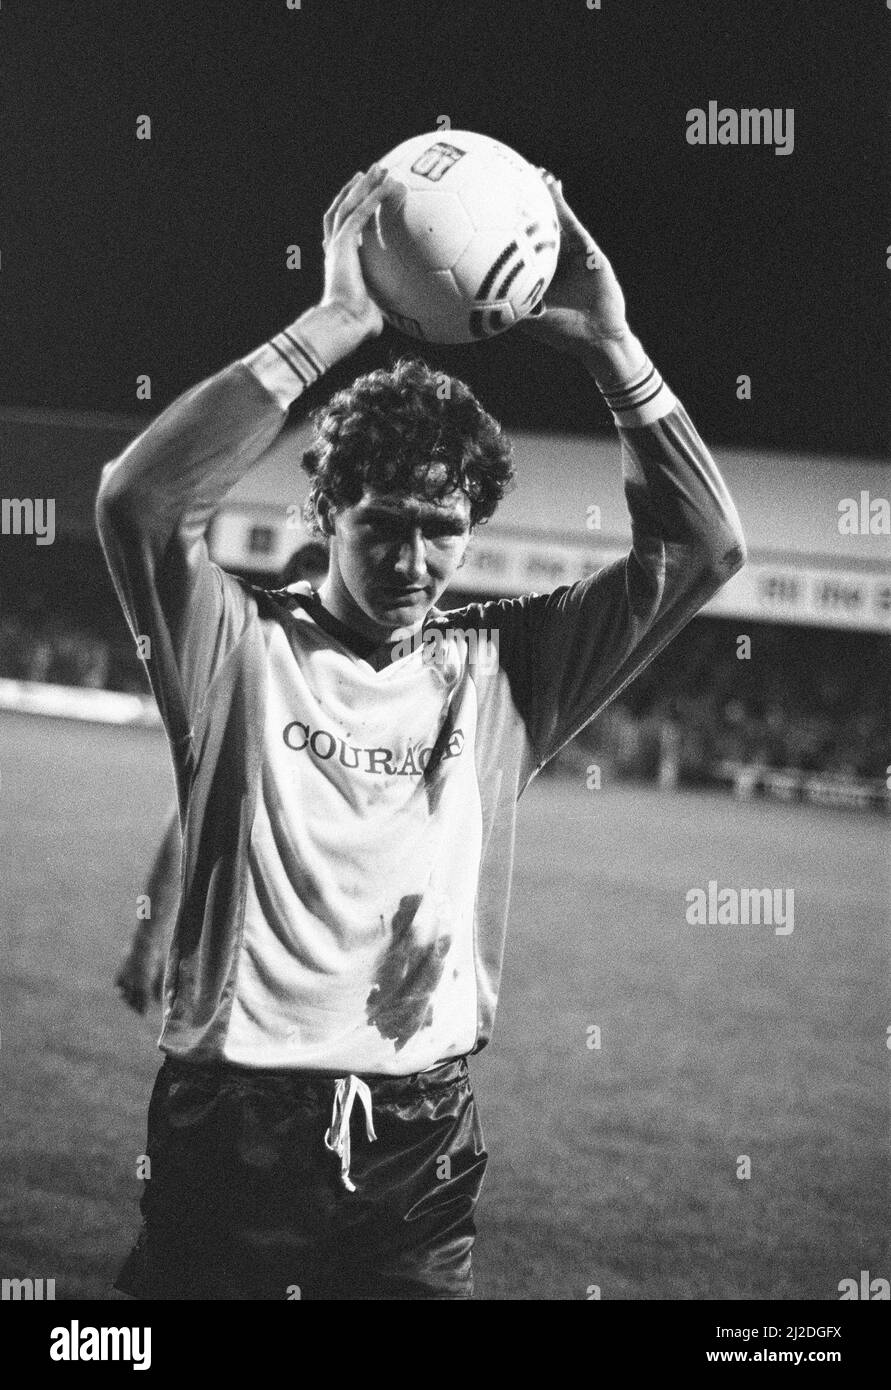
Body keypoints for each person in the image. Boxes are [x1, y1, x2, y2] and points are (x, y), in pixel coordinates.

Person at [96, 163, 746, 1300]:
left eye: (443, 529)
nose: (412, 561)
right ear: (324, 513)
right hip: (235, 1124)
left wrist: (612, 348)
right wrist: (337, 320)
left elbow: (699, 552)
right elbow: (138, 502)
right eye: (383, 525)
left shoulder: (506, 669)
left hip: (419, 1134)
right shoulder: (238, 647)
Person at [114, 542, 329, 1015]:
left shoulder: (379, 713)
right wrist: (146, 942)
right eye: (302, 600)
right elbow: (186, 828)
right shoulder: (248, 696)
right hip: (238, 958)